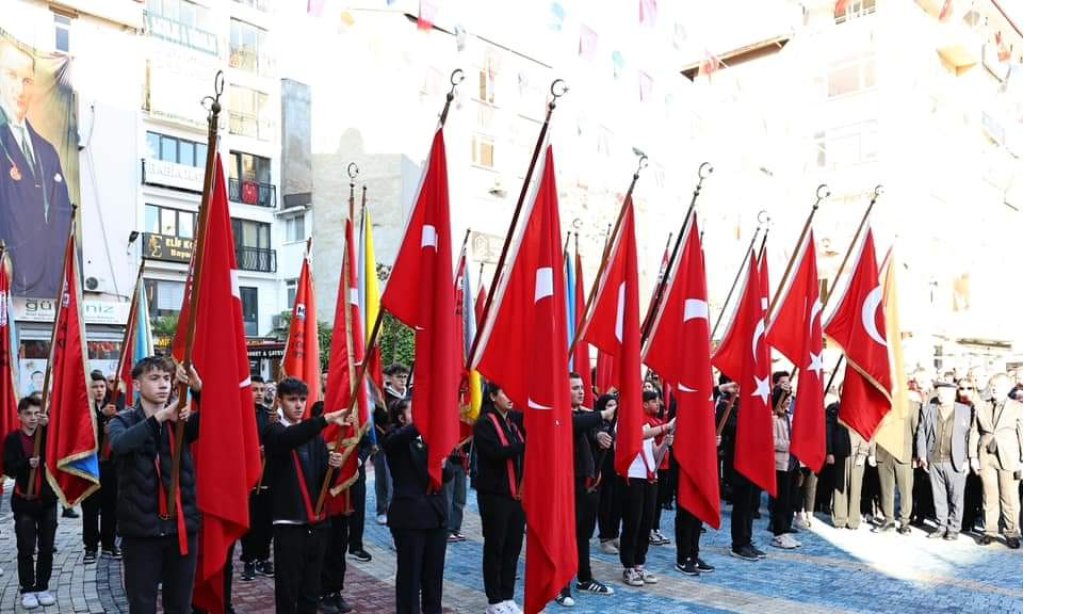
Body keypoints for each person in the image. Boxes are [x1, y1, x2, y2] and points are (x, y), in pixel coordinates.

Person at [108, 356, 202, 614]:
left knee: (180, 606)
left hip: (181, 529)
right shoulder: (123, 420)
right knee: (142, 606)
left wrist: (198, 391)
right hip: (141, 533)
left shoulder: (180, 420)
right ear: (137, 385)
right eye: (154, 378)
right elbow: (120, 445)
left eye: (167, 378)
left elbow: (216, 422)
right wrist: (159, 418)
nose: (163, 384)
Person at [263, 377, 348, 614]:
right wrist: (326, 418)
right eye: (292, 400)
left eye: (302, 399)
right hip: (289, 524)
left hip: (316, 524)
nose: (298, 405)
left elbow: (323, 482)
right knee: (288, 591)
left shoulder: (315, 437)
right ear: (280, 401)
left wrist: (334, 467)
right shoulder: (273, 431)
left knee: (311, 591)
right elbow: (287, 439)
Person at [0, 40, 72, 298]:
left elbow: (62, 220)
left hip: (46, 287)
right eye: (11, 76)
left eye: (27, 81)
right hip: (8, 283)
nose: (19, 89)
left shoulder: (47, 150)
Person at [383, 397, 453, 614]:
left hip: (436, 515)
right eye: (416, 411)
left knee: (433, 578)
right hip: (410, 518)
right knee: (410, 578)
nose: (423, 415)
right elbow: (400, 440)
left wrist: (442, 463)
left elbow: (448, 475)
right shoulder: (395, 438)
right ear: (402, 417)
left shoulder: (432, 439)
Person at [556, 372, 616, 607]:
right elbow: (575, 425)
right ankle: (560, 586)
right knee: (566, 535)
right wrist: (601, 415)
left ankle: (584, 577)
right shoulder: (560, 414)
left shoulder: (586, 415)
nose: (580, 391)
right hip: (566, 484)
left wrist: (600, 433)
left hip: (589, 484)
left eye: (582, 387)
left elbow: (590, 427)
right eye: (574, 388)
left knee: (584, 534)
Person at [473, 383, 525, 614]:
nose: (511, 396)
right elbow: (494, 453)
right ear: (492, 396)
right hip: (494, 494)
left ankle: (507, 595)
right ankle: (493, 599)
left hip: (516, 495)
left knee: (513, 546)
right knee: (496, 545)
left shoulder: (512, 422)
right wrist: (523, 446)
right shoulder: (485, 423)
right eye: (505, 392)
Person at [3, 394, 58, 609]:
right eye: (28, 414)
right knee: (25, 547)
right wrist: (27, 463)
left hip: (47, 500)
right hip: (24, 500)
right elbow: (8, 468)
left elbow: (60, 448)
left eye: (37, 413)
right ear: (19, 416)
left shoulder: (47, 435)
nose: (33, 417)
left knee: (46, 546)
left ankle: (42, 586)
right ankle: (27, 588)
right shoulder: (13, 439)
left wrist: (50, 426)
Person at [620, 389, 672, 588]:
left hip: (650, 476)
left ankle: (640, 563)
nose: (658, 404)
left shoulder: (650, 423)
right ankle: (628, 565)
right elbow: (637, 436)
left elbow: (654, 453)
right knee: (632, 522)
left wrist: (665, 445)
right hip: (633, 476)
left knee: (646, 522)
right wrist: (665, 427)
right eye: (653, 401)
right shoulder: (627, 421)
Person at [969, 373, 1022, 549]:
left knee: (1010, 497)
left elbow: (1024, 434)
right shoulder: (981, 406)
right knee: (989, 496)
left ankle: (1012, 532)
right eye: (991, 385)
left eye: (997, 386)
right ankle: (990, 531)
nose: (993, 388)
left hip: (1009, 457)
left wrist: (1025, 459)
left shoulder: (1018, 407)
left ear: (1008, 388)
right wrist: (973, 457)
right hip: (986, 456)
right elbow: (974, 432)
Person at [916, 381, 972, 540]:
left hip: (956, 460)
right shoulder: (928, 410)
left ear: (953, 394)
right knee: (938, 497)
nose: (941, 395)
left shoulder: (965, 411)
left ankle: (954, 529)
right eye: (939, 393)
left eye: (944, 393)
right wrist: (922, 455)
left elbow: (969, 437)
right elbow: (921, 432)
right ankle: (941, 526)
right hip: (934, 460)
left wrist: (967, 459)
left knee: (956, 497)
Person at [81, 371, 121, 562]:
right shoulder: (85, 410)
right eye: (95, 387)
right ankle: (90, 547)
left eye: (102, 386)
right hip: (89, 465)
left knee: (110, 507)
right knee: (89, 508)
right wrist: (99, 416)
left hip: (109, 466)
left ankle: (108, 544)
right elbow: (83, 432)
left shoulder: (113, 406)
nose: (98, 390)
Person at [871, 390, 921, 535]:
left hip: (904, 454)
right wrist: (872, 453)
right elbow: (874, 429)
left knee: (905, 490)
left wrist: (916, 455)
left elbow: (916, 431)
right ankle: (888, 519)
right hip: (883, 452)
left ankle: (905, 522)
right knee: (886, 489)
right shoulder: (879, 404)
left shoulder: (912, 406)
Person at [827, 393, 869, 531]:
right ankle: (839, 519)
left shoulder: (862, 409)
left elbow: (868, 431)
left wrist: (864, 451)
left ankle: (853, 520)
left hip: (857, 453)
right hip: (840, 453)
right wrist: (830, 452)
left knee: (856, 488)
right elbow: (829, 432)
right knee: (839, 487)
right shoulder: (834, 409)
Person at [770, 386, 801, 549]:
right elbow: (772, 442)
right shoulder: (773, 418)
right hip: (780, 464)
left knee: (790, 500)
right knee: (780, 501)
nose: (789, 400)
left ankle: (786, 530)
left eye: (790, 397)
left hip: (792, 464)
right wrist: (792, 445)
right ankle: (778, 533)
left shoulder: (790, 416)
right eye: (786, 397)